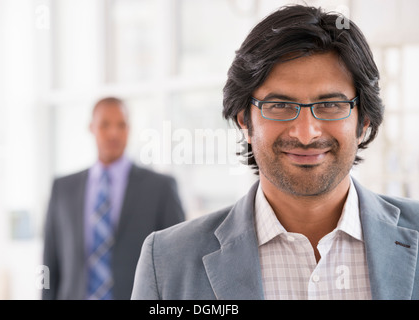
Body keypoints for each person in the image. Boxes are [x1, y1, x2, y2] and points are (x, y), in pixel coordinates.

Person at [131, 5, 419, 300]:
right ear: (244, 119)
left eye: (331, 105)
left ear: (364, 120)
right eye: (280, 105)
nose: (306, 133)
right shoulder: (167, 262)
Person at [42, 97, 185, 300]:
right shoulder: (62, 189)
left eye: (121, 125)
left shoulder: (160, 188)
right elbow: (49, 261)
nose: (113, 133)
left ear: (130, 129)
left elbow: (178, 259)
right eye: (105, 124)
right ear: (91, 128)